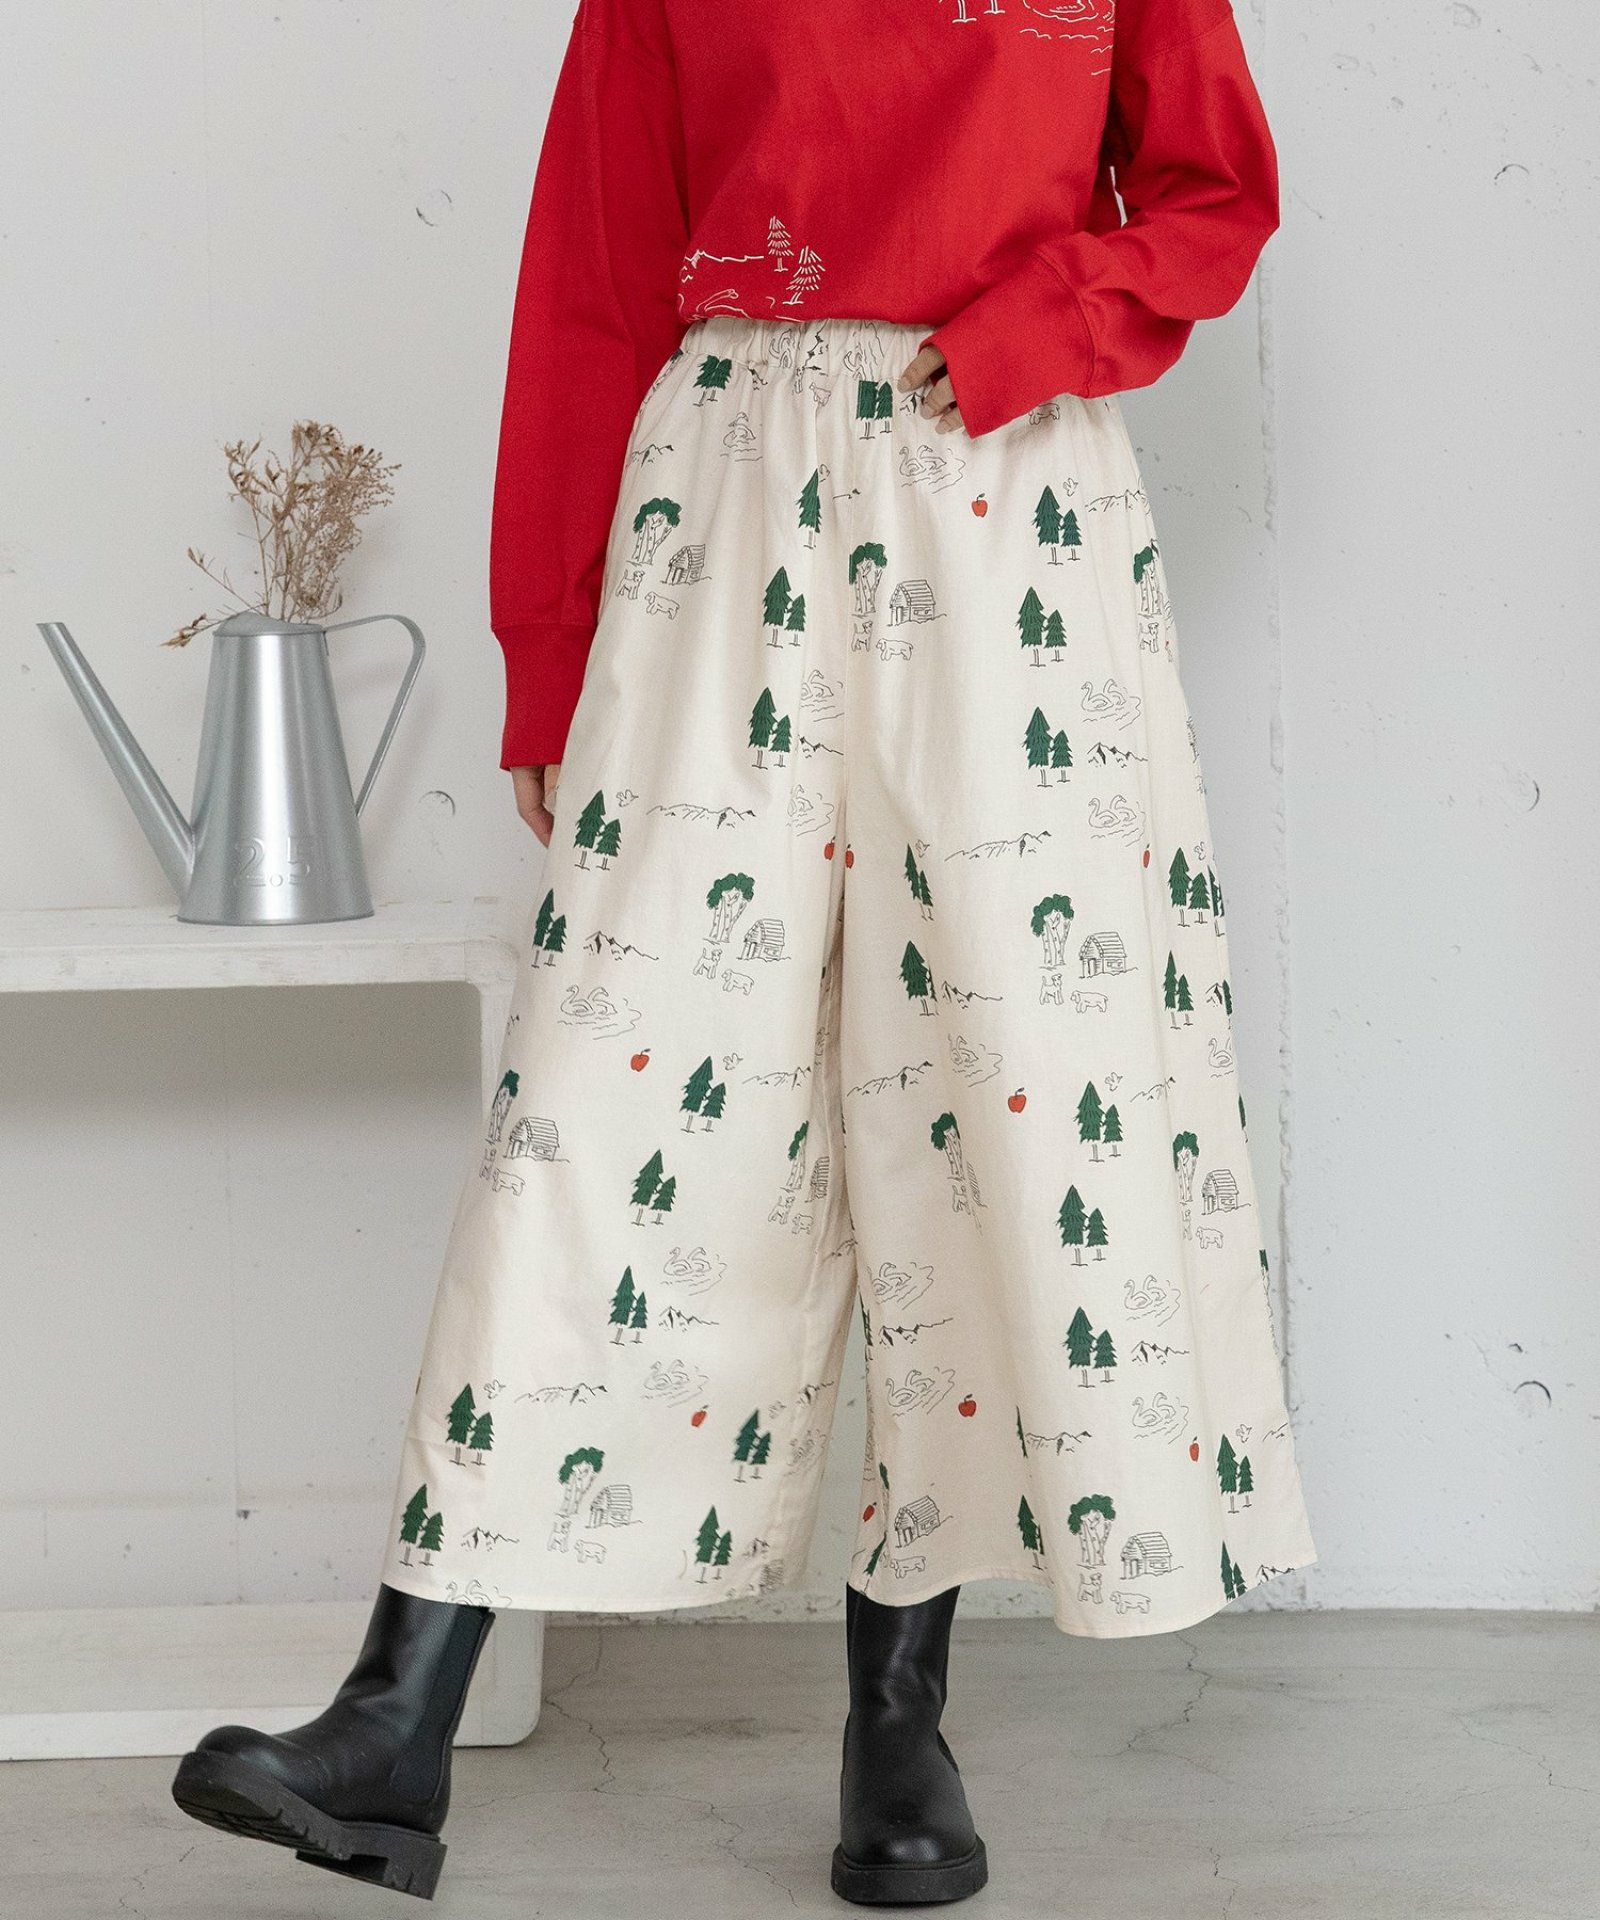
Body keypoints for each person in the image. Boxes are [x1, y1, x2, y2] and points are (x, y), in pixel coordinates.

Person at [171, 0, 1316, 1904]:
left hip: (1007, 504)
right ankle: (396, 1719)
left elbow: (1215, 197)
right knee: (598, 1096)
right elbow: (592, 284)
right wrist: (552, 651)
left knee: (974, 1097)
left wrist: (1029, 327)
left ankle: (898, 1728)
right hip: (721, 506)